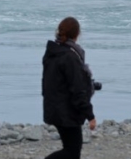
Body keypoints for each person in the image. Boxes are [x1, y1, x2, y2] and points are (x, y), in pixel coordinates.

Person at [42, 17, 97, 159]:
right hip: (67, 111)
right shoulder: (70, 57)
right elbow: (77, 89)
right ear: (77, 34)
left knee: (70, 149)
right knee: (72, 151)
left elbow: (53, 82)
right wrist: (90, 115)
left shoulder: (52, 52)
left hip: (54, 107)